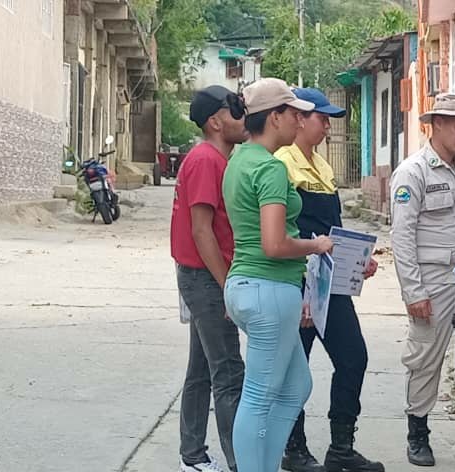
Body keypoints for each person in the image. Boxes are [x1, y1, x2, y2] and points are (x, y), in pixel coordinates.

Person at [221, 78, 332, 472]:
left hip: (248, 286)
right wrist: (315, 246)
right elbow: (275, 244)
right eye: (295, 113)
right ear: (275, 117)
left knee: (296, 385)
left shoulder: (239, 160)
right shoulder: (270, 169)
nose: (300, 122)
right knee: (259, 394)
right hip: (268, 285)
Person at [274, 87, 384, 472]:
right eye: (322, 118)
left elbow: (332, 232)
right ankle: (294, 447)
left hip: (330, 283)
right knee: (295, 367)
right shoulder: (282, 164)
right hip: (297, 280)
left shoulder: (321, 167)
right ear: (299, 118)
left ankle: (341, 447)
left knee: (354, 357)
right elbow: (283, 230)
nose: (328, 127)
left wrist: (358, 261)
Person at [388, 93, 455, 467]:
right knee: (425, 357)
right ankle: (418, 433)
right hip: (431, 280)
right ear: (436, 124)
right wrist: (414, 292)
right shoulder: (412, 173)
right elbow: (401, 237)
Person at [170, 85, 250, 472]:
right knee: (229, 371)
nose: (243, 117)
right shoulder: (205, 160)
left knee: (202, 369)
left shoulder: (220, 159)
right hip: (206, 278)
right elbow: (202, 230)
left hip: (205, 276)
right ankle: (241, 463)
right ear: (216, 121)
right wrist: (226, 286)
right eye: (236, 110)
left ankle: (193, 456)